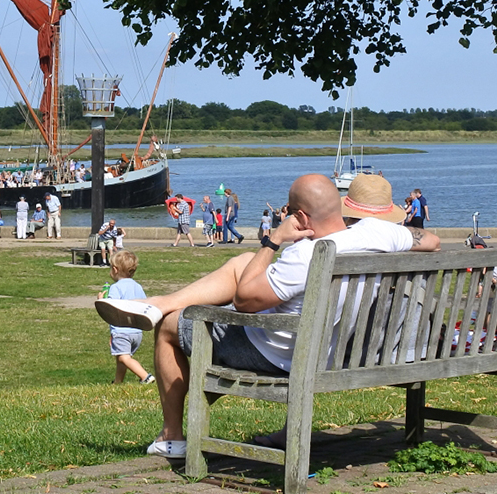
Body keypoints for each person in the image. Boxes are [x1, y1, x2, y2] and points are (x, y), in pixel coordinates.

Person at [92, 173, 440, 458]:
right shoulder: (383, 233)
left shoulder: (305, 255)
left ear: (301, 217)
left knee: (171, 326)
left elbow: (244, 301)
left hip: (279, 352)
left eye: (292, 213)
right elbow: (431, 241)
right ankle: (159, 301)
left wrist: (273, 241)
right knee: (243, 264)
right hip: (331, 349)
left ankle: (172, 437)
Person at [99, 250, 153, 384]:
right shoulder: (138, 287)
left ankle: (146, 377)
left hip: (122, 331)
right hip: (136, 331)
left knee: (124, 357)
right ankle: (118, 381)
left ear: (115, 270)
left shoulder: (115, 288)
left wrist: (101, 300)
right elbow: (144, 303)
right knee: (121, 356)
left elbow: (112, 307)